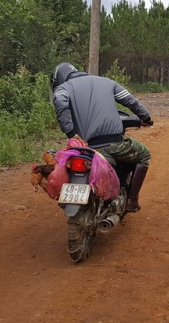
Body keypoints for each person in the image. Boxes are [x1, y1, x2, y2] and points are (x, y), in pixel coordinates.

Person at [50, 62, 153, 213]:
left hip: (86, 149)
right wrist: (146, 118)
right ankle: (131, 201)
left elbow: (60, 103)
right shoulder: (107, 82)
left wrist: (71, 134)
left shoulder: (63, 88)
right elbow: (131, 101)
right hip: (115, 144)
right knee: (144, 154)